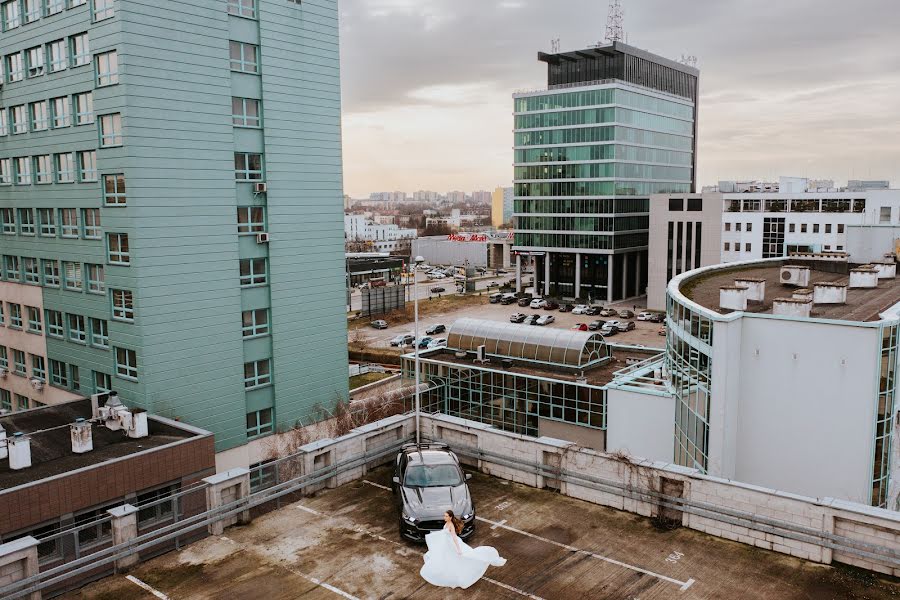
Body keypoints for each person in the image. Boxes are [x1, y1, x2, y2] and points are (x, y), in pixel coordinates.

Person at [419, 511, 506, 589]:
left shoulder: (451, 526)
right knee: (445, 557)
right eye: (444, 516)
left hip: (452, 544)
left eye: (446, 516)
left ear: (450, 517)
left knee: (459, 557)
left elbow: (454, 538)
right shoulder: (447, 524)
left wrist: (458, 549)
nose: (444, 517)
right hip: (446, 543)